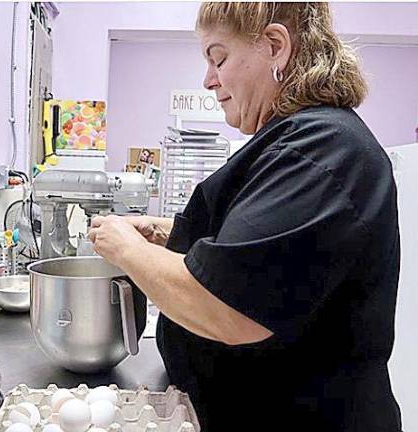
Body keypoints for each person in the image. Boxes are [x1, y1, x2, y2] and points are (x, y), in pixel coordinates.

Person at [88, 3, 402, 431]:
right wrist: (163, 233)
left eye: (219, 58)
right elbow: (254, 244)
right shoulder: (295, 140)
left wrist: (123, 248)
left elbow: (227, 307)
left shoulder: (321, 150)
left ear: (275, 46)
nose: (209, 79)